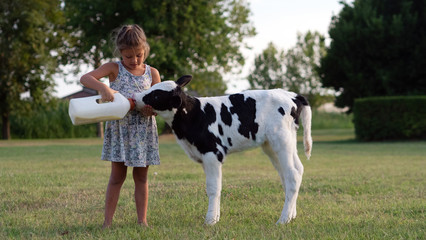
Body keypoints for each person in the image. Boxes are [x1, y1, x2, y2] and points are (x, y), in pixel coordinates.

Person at [80, 24, 160, 228]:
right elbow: (85, 78)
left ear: (145, 50)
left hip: (143, 130)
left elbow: (159, 102)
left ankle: (142, 221)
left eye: (139, 55)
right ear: (120, 53)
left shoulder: (152, 73)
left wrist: (153, 110)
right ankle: (107, 222)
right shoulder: (114, 69)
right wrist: (102, 87)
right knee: (117, 177)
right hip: (120, 130)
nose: (134, 60)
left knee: (141, 177)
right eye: (128, 56)